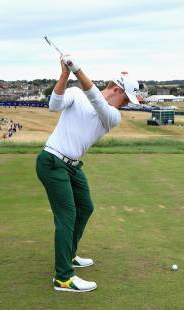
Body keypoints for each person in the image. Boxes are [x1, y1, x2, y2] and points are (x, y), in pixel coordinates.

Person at [36, 53, 139, 293]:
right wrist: (65, 74)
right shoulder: (75, 95)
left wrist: (78, 70)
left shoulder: (112, 116)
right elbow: (54, 106)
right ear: (115, 88)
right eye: (125, 100)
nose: (126, 105)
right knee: (67, 216)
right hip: (51, 161)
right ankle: (62, 278)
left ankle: (69, 255)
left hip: (72, 166)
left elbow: (97, 100)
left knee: (86, 207)